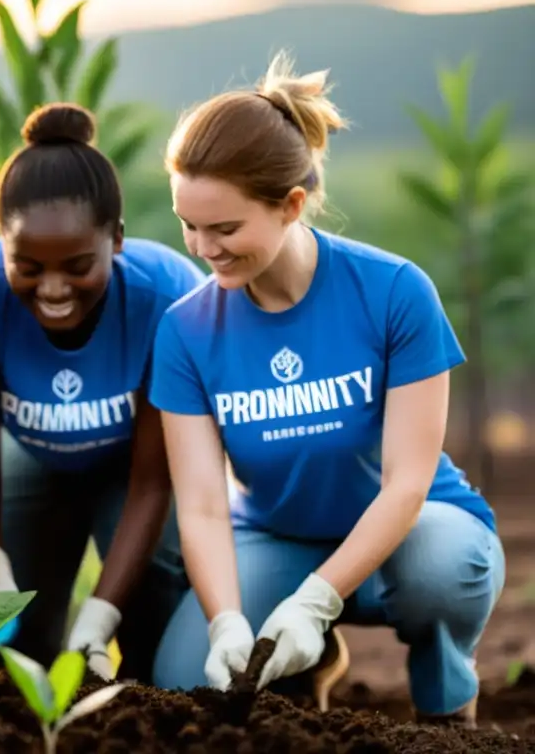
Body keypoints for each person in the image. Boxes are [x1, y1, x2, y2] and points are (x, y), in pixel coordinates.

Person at [149, 52, 505, 728]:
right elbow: (199, 505)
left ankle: (446, 707)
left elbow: (407, 481)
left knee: (445, 571)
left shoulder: (394, 292)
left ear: (290, 204)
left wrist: (317, 600)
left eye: (225, 228)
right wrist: (226, 621)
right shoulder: (186, 330)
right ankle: (305, 666)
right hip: (278, 537)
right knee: (183, 677)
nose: (202, 247)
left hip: (409, 528)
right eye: (188, 224)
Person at [0, 102, 207, 682]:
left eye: (78, 264)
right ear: (1, 245)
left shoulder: (166, 297)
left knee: (151, 624)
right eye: (26, 266)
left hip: (134, 469)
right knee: (23, 646)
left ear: (117, 241)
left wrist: (98, 619)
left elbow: (155, 479)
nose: (53, 288)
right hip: (30, 459)